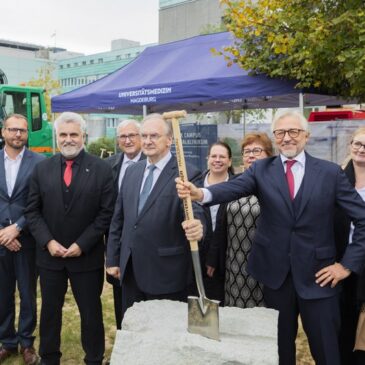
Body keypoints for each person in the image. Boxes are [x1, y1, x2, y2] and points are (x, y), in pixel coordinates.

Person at [176, 109, 365, 365]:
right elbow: (233, 188)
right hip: (277, 280)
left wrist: (346, 266)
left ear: (306, 136)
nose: (287, 138)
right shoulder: (262, 169)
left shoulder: (330, 173)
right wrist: (201, 193)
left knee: (327, 353)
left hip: (320, 279)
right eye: (280, 133)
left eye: (293, 131)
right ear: (275, 137)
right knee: (278, 352)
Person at [24, 112, 115, 365]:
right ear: (56, 137)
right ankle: (50, 358)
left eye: (73, 134)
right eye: (63, 135)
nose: (68, 139)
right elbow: (32, 210)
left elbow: (106, 213)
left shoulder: (101, 169)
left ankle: (94, 358)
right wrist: (48, 242)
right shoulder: (41, 169)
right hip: (49, 257)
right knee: (50, 313)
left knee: (91, 313)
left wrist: (81, 245)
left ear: (83, 136)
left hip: (86, 258)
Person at [106, 113, 205, 321]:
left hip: (165, 272)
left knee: (163, 333)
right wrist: (114, 259)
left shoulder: (186, 173)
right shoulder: (132, 172)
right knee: (133, 329)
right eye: (144, 136)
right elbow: (119, 220)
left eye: (154, 136)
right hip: (131, 269)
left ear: (169, 140)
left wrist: (197, 224)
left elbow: (194, 209)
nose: (148, 141)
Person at [0, 114, 44, 365]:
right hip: (0, 241)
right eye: (13, 129)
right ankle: (7, 341)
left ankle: (26, 342)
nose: (18, 134)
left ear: (28, 134)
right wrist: (3, 234)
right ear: (3, 132)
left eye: (23, 131)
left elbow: (40, 201)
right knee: (2, 293)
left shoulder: (39, 162)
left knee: (28, 293)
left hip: (27, 240)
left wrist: (17, 228)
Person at [225, 132, 273, 308]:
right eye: (247, 151)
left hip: (264, 262)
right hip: (233, 263)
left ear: (269, 155)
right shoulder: (235, 183)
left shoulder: (276, 184)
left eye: (257, 150)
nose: (251, 155)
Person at [105, 119, 145, 330]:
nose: (128, 140)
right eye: (123, 136)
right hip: (117, 246)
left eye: (133, 135)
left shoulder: (152, 162)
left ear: (141, 138)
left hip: (145, 249)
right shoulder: (109, 165)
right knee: (121, 299)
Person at [335, 127, 365, 365]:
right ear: (350, 145)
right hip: (341, 257)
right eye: (357, 144)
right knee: (343, 319)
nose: (361, 149)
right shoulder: (336, 177)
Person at [198, 141, 235, 303]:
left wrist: (214, 256)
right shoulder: (196, 184)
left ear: (230, 161)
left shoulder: (238, 186)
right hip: (196, 253)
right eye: (214, 156)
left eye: (222, 156)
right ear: (208, 158)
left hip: (226, 256)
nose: (217, 160)